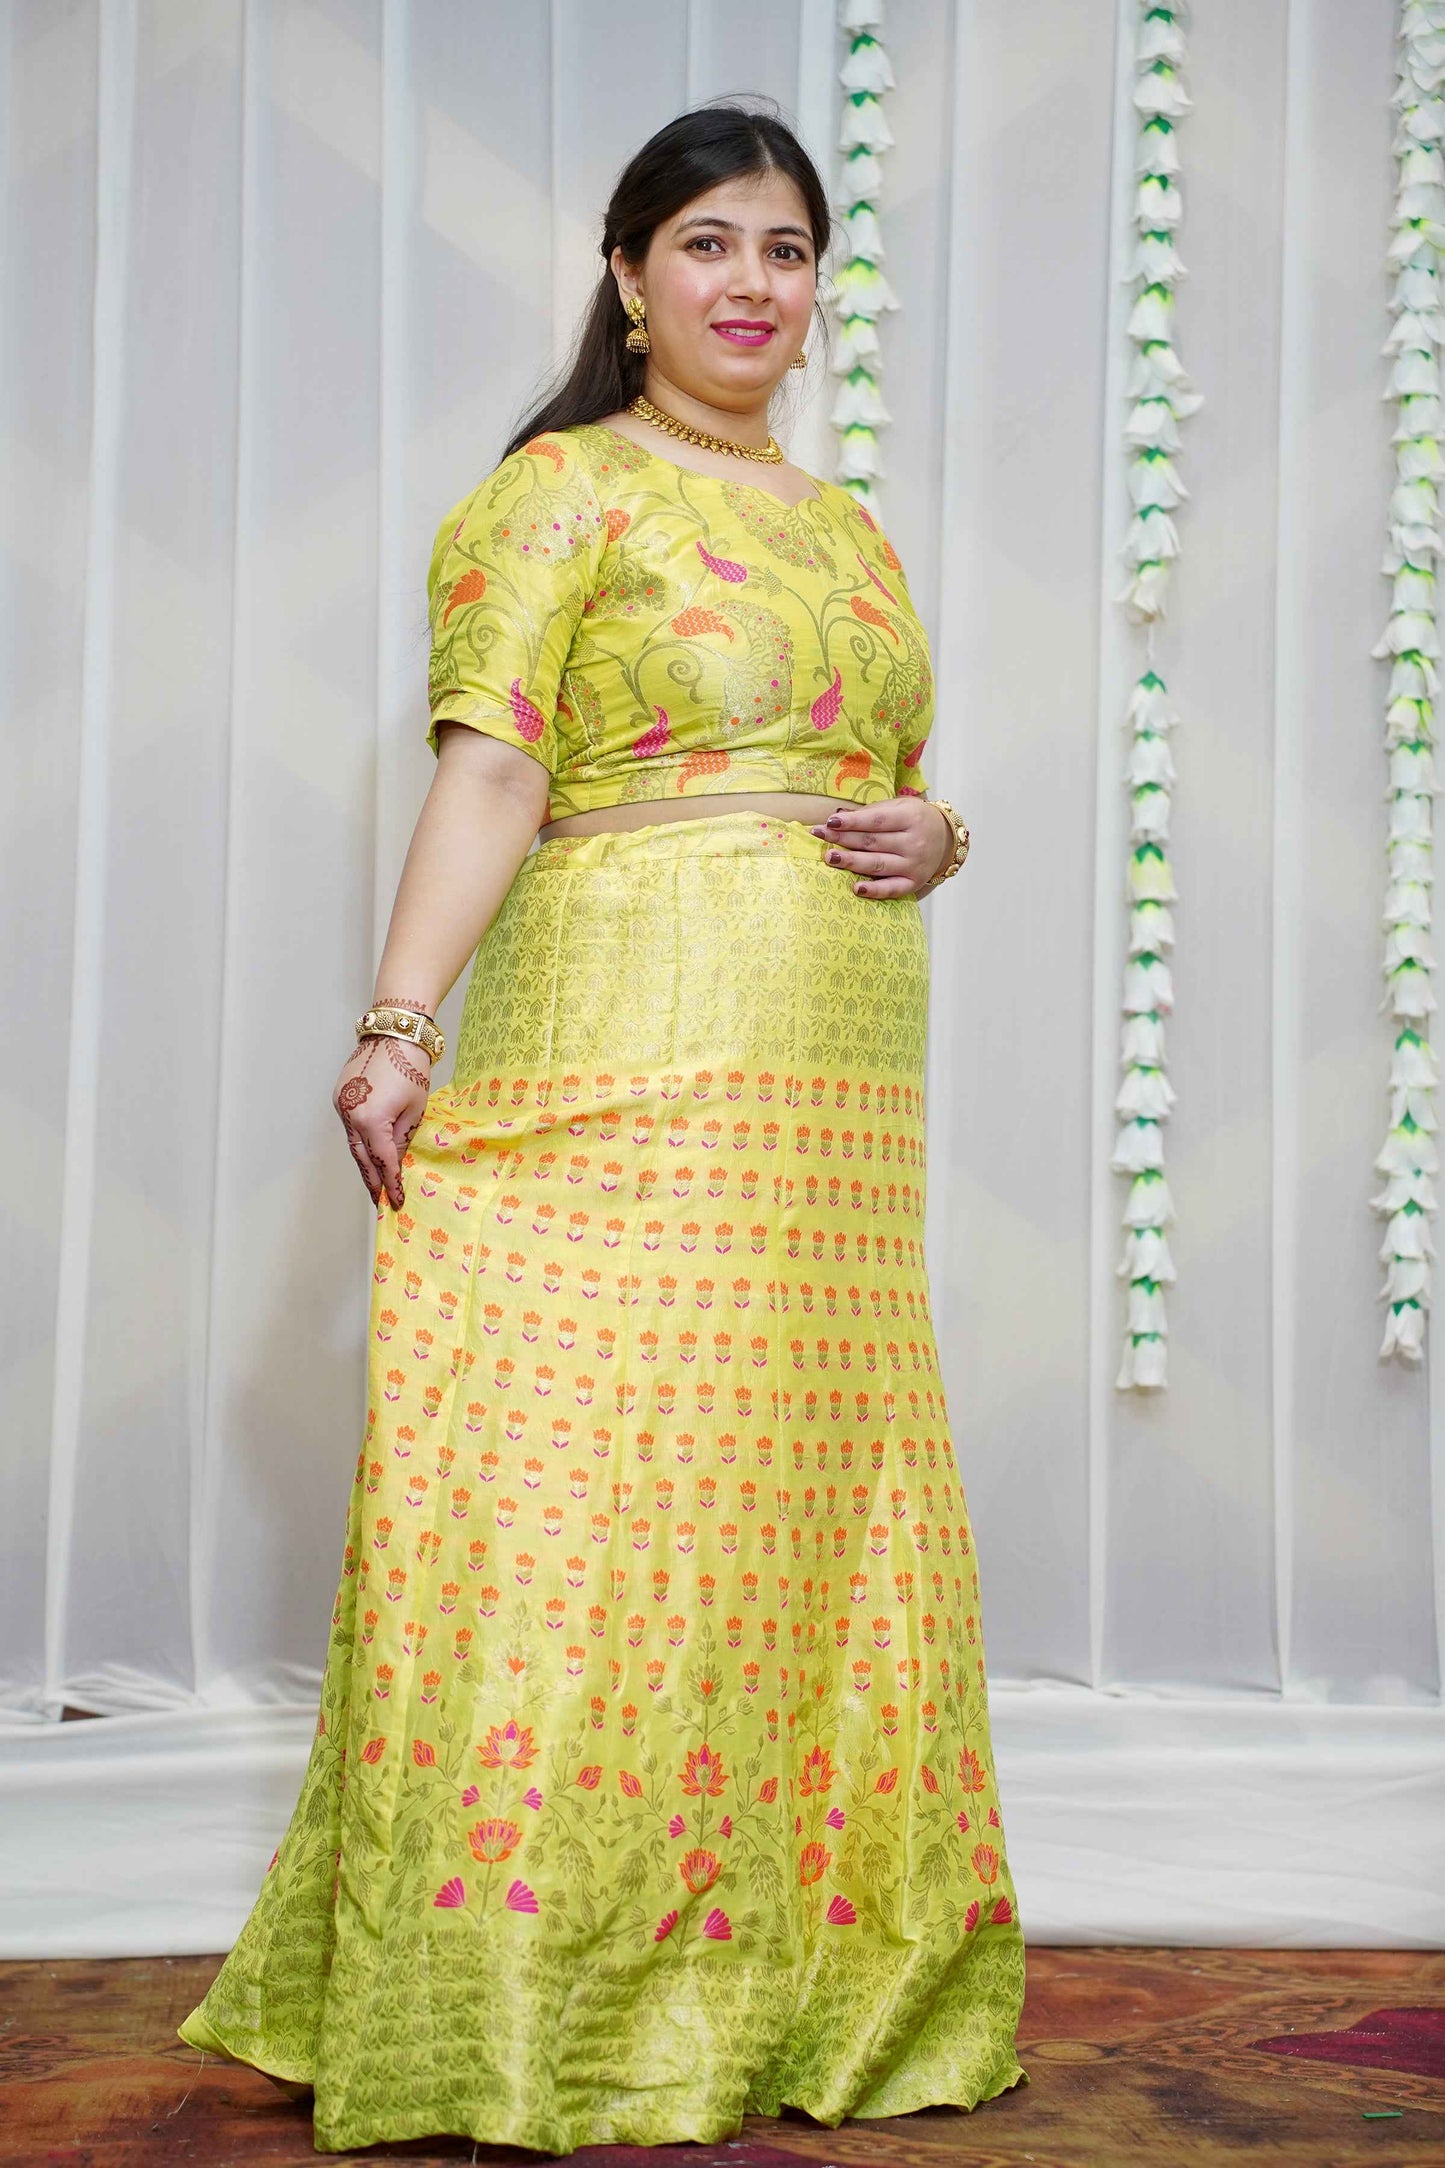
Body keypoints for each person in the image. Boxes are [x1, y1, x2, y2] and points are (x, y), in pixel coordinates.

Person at [176, 99, 1028, 2155]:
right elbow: (491, 769)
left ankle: (792, 1984)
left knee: (793, 1497)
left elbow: (880, 765)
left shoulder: (848, 528)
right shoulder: (557, 492)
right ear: (630, 276)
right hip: (631, 1033)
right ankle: (526, 1986)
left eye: (787, 250)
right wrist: (400, 1025)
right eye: (709, 243)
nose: (753, 284)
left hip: (833, 1087)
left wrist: (943, 829)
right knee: (603, 1482)